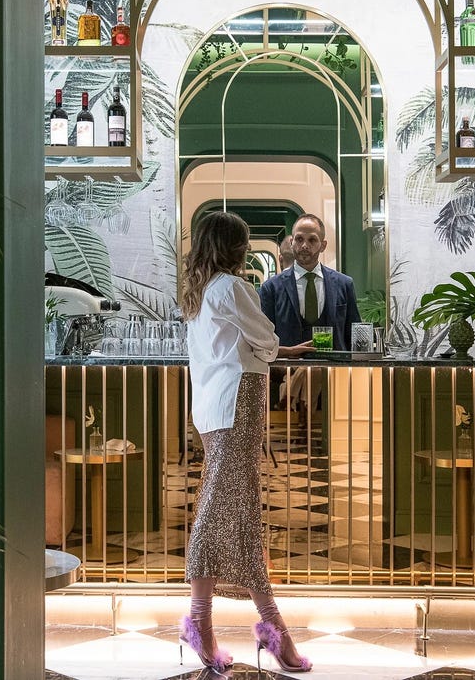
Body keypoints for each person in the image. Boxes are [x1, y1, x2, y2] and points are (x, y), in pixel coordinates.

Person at [180, 210, 313, 674]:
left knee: (236, 512)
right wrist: (274, 347)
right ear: (235, 248)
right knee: (225, 509)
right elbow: (265, 339)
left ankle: (261, 627)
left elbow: (252, 344)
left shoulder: (199, 291)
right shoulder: (233, 288)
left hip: (214, 409)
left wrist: (270, 347)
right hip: (238, 407)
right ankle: (227, 623)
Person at [259, 214, 362, 352]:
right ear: (291, 243)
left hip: (335, 370)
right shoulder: (271, 288)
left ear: (323, 245)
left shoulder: (344, 284)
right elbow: (264, 340)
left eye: (312, 240)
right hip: (287, 370)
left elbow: (353, 338)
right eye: (299, 239)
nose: (305, 246)